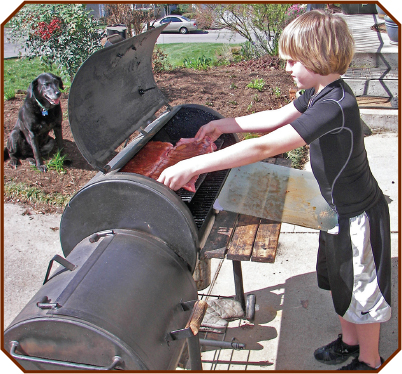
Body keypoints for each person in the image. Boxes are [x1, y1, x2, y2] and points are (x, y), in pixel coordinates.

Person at [157, 10, 391, 371]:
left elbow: (266, 146)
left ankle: (370, 359)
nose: (287, 68)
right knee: (341, 284)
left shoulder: (335, 106)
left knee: (362, 291)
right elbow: (276, 115)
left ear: (319, 56)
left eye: (293, 60)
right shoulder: (317, 92)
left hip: (357, 215)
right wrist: (223, 124)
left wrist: (193, 164)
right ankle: (349, 342)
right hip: (332, 209)